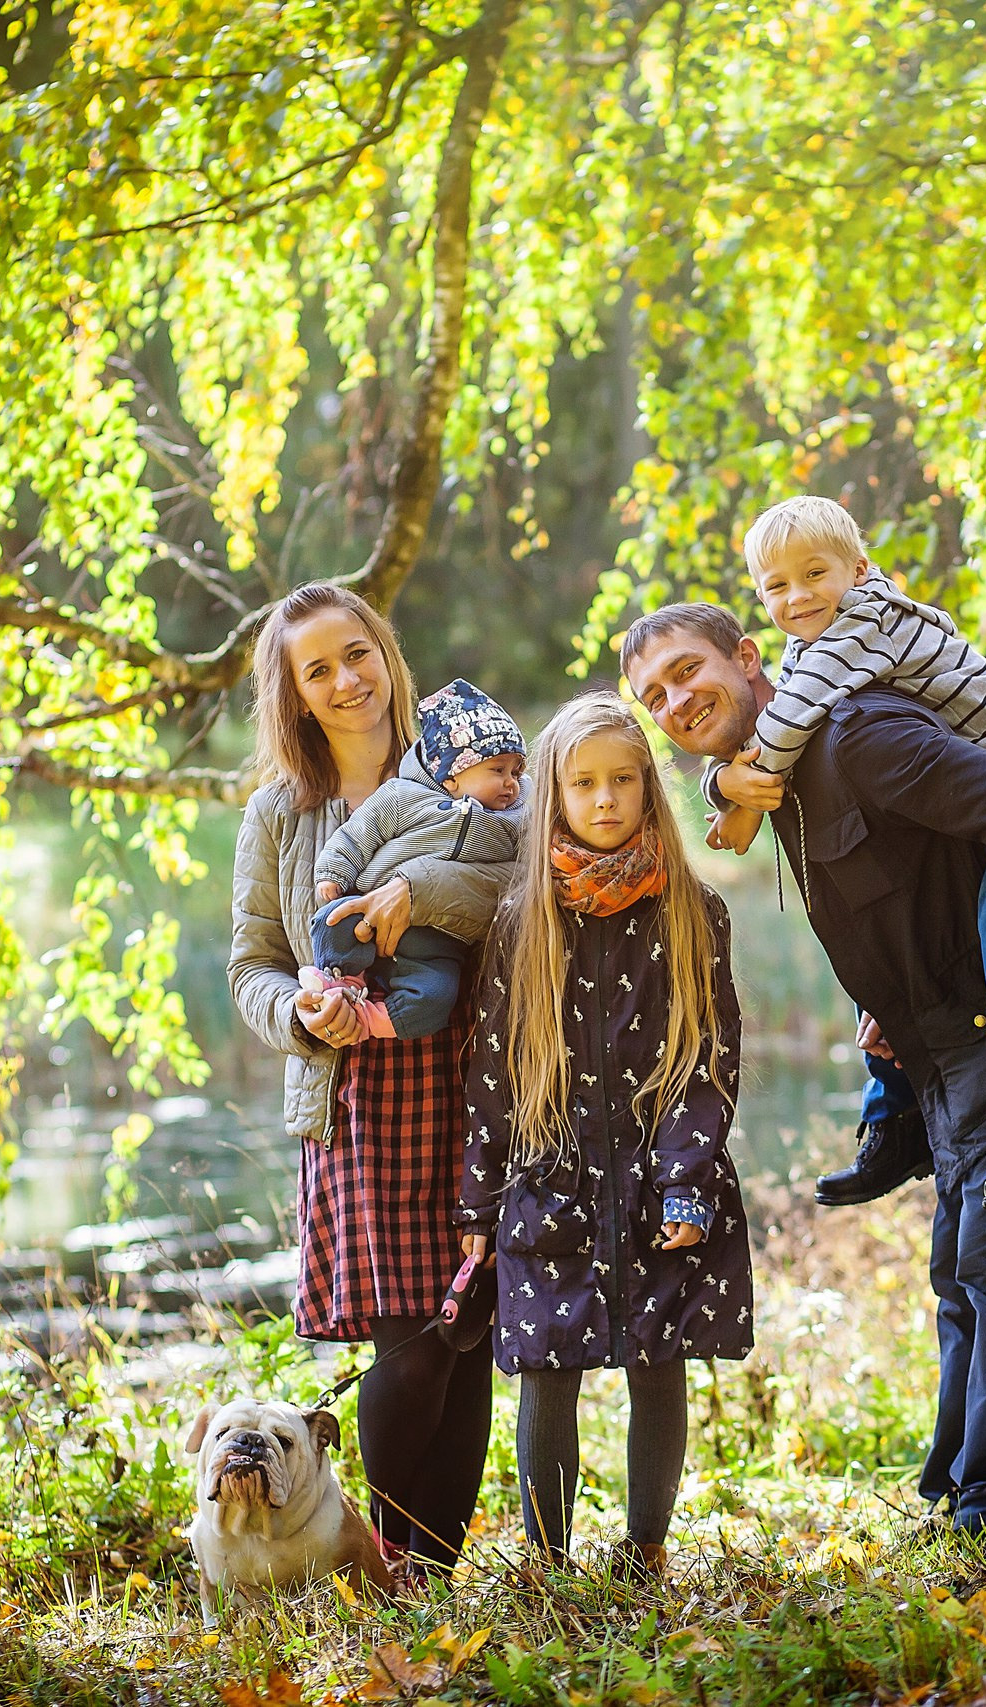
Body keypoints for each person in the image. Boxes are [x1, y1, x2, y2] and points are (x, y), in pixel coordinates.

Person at [621, 602, 986, 1540]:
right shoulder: (771, 780)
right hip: (933, 1053)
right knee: (958, 1272)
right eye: (655, 694)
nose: (677, 699)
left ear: (748, 657)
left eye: (689, 671)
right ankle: (954, 1492)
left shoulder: (859, 733)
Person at [705, 497, 986, 1210]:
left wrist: (732, 793)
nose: (798, 596)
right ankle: (894, 1120)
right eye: (776, 586)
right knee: (881, 924)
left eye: (815, 574)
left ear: (859, 571)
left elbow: (791, 718)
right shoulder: (816, 643)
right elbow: (800, 704)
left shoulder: (860, 626)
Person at [227, 584, 507, 1584]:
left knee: (465, 1331)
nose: (347, 680)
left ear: (386, 655)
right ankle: (392, 1577)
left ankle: (432, 1576)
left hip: (470, 1078)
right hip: (351, 1097)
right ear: (294, 695)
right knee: (409, 1343)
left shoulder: (458, 774)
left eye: (358, 654)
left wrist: (418, 890)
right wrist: (298, 1015)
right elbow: (251, 963)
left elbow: (513, 888)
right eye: (318, 670)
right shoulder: (278, 813)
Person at [455, 693, 753, 1578]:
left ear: (648, 788)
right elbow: (491, 1073)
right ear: (555, 792)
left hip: (665, 1177)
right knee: (547, 1365)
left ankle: (645, 1546)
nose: (606, 798)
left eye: (624, 779)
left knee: (659, 1359)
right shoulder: (523, 919)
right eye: (584, 783)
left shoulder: (692, 911)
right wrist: (477, 1196)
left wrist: (687, 1181)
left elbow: (709, 1060)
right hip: (549, 1178)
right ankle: (546, 1561)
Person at [306, 678, 527, 1040]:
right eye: (498, 770)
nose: (511, 783)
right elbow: (358, 832)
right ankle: (336, 976)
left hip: (439, 941)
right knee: (334, 920)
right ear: (452, 777)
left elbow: (526, 874)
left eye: (516, 772)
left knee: (438, 995)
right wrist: (333, 871)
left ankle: (372, 1021)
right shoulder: (402, 797)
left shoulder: (515, 818)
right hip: (370, 911)